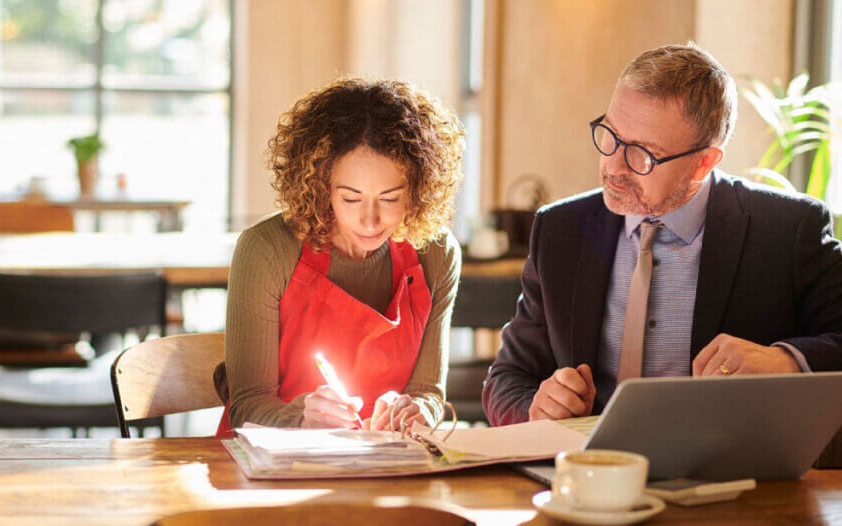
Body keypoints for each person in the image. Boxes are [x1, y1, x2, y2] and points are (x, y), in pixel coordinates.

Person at [483, 43, 842, 426]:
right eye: (611, 135)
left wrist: (786, 361)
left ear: (704, 162)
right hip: (587, 475)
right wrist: (536, 407)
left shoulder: (787, 230)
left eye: (643, 154)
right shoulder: (560, 229)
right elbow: (506, 380)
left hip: (730, 475)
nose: (613, 166)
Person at [214, 77, 464, 437]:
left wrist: (415, 410)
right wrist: (301, 417)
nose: (369, 220)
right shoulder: (267, 249)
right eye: (350, 198)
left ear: (419, 191)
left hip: (382, 468)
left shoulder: (435, 253)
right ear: (320, 186)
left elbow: (428, 392)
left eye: (390, 198)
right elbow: (246, 405)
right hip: (268, 470)